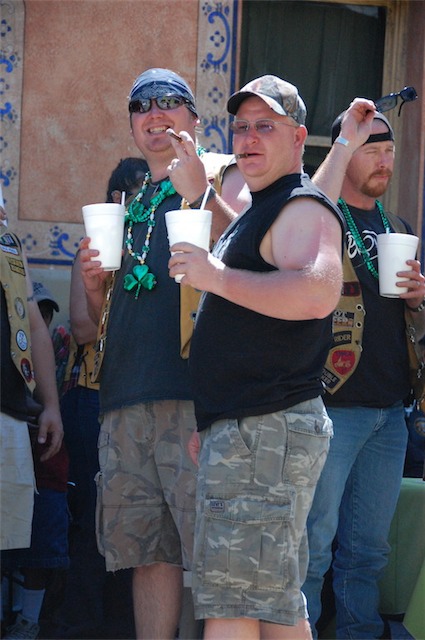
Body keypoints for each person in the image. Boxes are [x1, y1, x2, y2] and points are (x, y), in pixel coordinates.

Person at [168, 74, 345, 640]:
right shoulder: (266, 208)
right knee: (272, 605)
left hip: (264, 431)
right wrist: (217, 418)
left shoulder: (302, 206)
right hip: (251, 429)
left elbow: (318, 293)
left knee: (233, 606)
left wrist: (215, 276)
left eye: (264, 126)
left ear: (298, 138)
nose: (247, 138)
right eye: (241, 127)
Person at [79, 68, 250, 640]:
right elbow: (106, 317)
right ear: (132, 125)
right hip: (124, 398)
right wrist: (94, 288)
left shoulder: (222, 174)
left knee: (215, 555)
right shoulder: (131, 201)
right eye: (141, 105)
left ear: (194, 118)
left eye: (170, 101)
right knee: (148, 555)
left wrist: (200, 191)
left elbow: (253, 252)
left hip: (195, 400)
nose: (155, 113)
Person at [302, 99, 425, 639]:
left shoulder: (398, 226)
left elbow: (409, 321)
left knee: (369, 552)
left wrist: (419, 299)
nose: (384, 160)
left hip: (390, 412)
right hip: (332, 407)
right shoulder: (321, 216)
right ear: (344, 151)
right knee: (313, 545)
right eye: (371, 148)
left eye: (390, 149)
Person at [55, 157, 146, 640]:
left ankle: (123, 626)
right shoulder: (94, 250)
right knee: (96, 518)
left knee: (140, 523)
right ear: (117, 200)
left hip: (144, 400)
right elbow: (83, 328)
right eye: (137, 193)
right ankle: (80, 625)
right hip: (93, 398)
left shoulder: (158, 250)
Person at [1, 208, 63, 633]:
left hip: (8, 415)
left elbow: (35, 326)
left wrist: (51, 405)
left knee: (6, 549)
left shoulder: (8, 246)